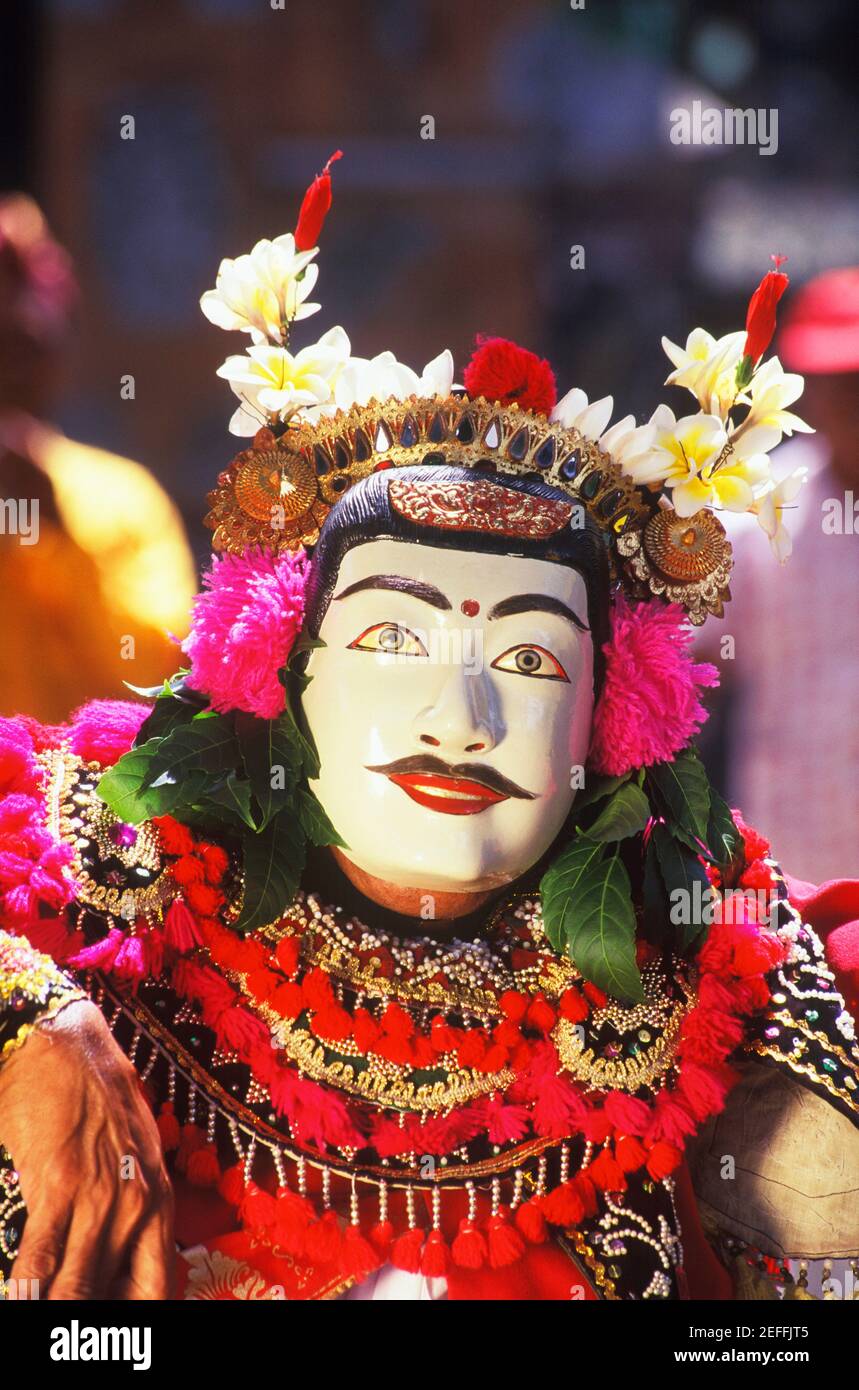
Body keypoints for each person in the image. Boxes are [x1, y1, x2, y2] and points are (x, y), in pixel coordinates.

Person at [0, 160, 857, 1301]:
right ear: (282, 673)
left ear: (607, 718)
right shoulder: (106, 887)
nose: (462, 723)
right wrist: (33, 1020)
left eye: (528, 660)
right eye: (395, 643)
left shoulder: (707, 969)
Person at [0, 193, 196, 722]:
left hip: (79, 801)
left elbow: (158, 682)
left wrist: (55, 533)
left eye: (23, 348)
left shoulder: (122, 495)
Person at [718, 267, 859, 884]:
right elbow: (679, 661)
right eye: (841, 382)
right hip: (792, 892)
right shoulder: (759, 507)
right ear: (811, 392)